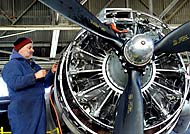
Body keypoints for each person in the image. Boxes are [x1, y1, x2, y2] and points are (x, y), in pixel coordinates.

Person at [2, 37, 57, 134]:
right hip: (23, 111)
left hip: (38, 110)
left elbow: (44, 84)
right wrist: (35, 76)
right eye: (29, 47)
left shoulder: (33, 65)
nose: (33, 50)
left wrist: (52, 72)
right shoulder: (11, 65)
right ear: (21, 49)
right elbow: (15, 83)